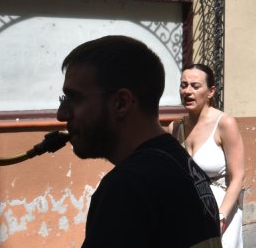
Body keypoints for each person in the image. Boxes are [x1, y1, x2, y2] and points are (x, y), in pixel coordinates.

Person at [56, 36, 222, 248]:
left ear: (121, 103)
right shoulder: (184, 165)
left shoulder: (126, 187)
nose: (62, 114)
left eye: (74, 98)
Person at [171, 63, 246, 247]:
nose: (187, 91)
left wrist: (220, 218)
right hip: (187, 213)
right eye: (183, 85)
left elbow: (238, 177)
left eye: (195, 86)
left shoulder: (224, 123)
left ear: (211, 91)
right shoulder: (175, 127)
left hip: (219, 212)